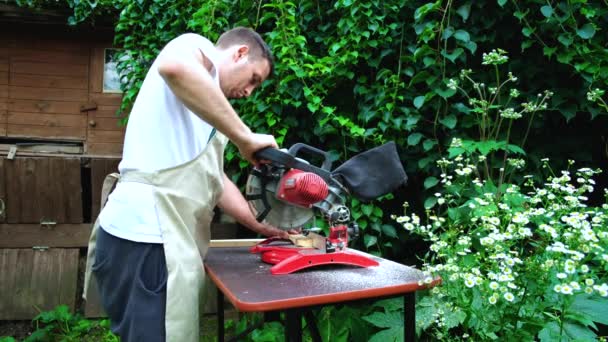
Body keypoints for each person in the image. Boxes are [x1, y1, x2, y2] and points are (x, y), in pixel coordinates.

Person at [83, 27, 290, 342]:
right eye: (253, 79)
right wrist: (245, 137)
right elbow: (175, 67)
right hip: (147, 241)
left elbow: (214, 180)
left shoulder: (202, 109)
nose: (250, 92)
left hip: (140, 242)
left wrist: (264, 226)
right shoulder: (194, 47)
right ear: (240, 53)